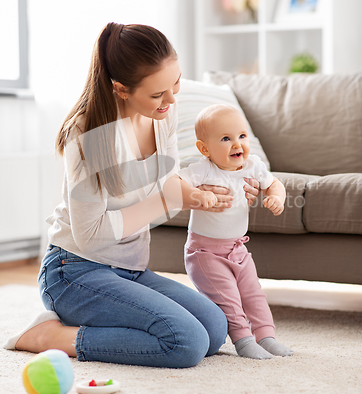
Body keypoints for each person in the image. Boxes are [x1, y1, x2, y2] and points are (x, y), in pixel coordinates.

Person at [3, 23, 261, 368]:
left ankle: (104, 317)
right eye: (157, 94)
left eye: (176, 84)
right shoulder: (87, 135)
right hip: (75, 270)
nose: (171, 100)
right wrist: (175, 199)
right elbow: (90, 235)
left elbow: (169, 185)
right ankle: (51, 336)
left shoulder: (162, 117)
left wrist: (199, 195)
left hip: (131, 267)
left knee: (214, 329)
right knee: (186, 342)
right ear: (121, 89)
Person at [168, 104, 293, 360]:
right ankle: (244, 341)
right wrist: (199, 194)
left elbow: (274, 184)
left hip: (238, 249)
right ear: (205, 149)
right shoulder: (203, 168)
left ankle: (266, 337)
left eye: (242, 136)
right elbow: (174, 184)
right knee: (229, 298)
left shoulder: (253, 166)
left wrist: (277, 198)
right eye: (226, 138)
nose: (237, 144)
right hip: (205, 253)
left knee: (253, 294)